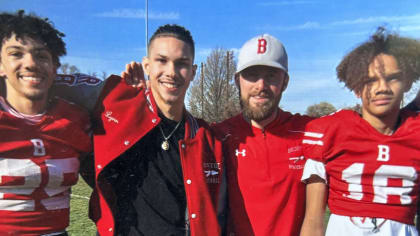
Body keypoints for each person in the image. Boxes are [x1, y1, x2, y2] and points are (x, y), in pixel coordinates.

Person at [89, 24, 225, 236]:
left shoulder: (205, 139)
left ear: (193, 72)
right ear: (147, 66)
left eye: (181, 64)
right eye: (162, 61)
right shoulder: (117, 111)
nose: (171, 72)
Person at [300, 27, 420, 236]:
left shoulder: (415, 132)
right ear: (356, 87)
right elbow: (313, 222)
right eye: (370, 80)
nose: (382, 88)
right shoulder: (330, 132)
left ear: (407, 82)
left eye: (392, 78)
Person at [0, 10, 91, 235]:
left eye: (41, 55)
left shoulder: (75, 119)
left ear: (54, 67)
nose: (30, 63)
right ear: (1, 65)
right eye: (16, 54)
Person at [213, 34, 312, 235]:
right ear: (237, 81)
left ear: (285, 82)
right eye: (252, 75)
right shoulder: (218, 135)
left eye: (271, 76)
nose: (261, 86)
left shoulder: (309, 131)